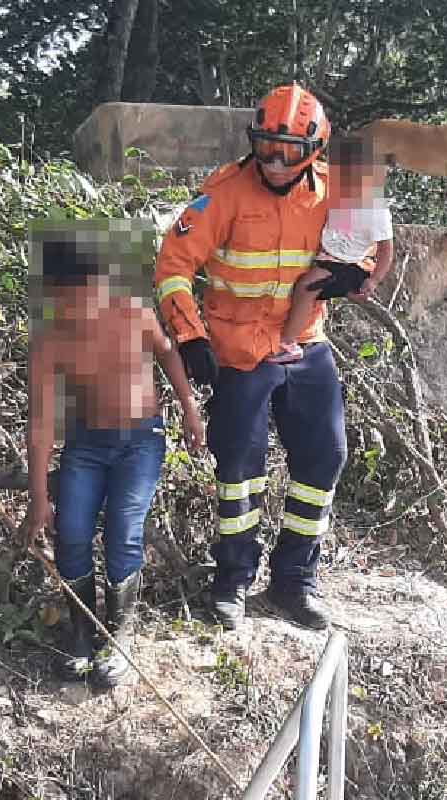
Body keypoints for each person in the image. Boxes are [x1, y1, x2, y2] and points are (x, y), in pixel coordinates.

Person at [154, 83, 361, 631]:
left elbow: (365, 247)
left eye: (287, 150)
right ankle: (233, 580)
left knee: (325, 457)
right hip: (238, 348)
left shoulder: (334, 193)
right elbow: (173, 265)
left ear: (314, 149)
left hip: (304, 341)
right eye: (265, 146)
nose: (273, 160)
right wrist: (190, 336)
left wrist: (353, 273)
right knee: (240, 468)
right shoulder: (223, 192)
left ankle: (294, 581)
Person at [24, 229, 204, 686]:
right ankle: (83, 634)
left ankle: (119, 635)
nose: (80, 304)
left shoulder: (133, 314)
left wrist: (189, 407)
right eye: (67, 296)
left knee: (124, 530)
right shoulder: (51, 342)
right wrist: (39, 497)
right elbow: (42, 424)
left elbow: (167, 354)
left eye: (88, 291)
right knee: (72, 533)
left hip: (140, 441)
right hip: (85, 445)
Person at [267, 135, 395, 364]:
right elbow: (338, 230)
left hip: (344, 264)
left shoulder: (377, 210)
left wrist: (373, 280)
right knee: (312, 288)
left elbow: (386, 250)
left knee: (307, 287)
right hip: (332, 258)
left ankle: (288, 343)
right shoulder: (346, 197)